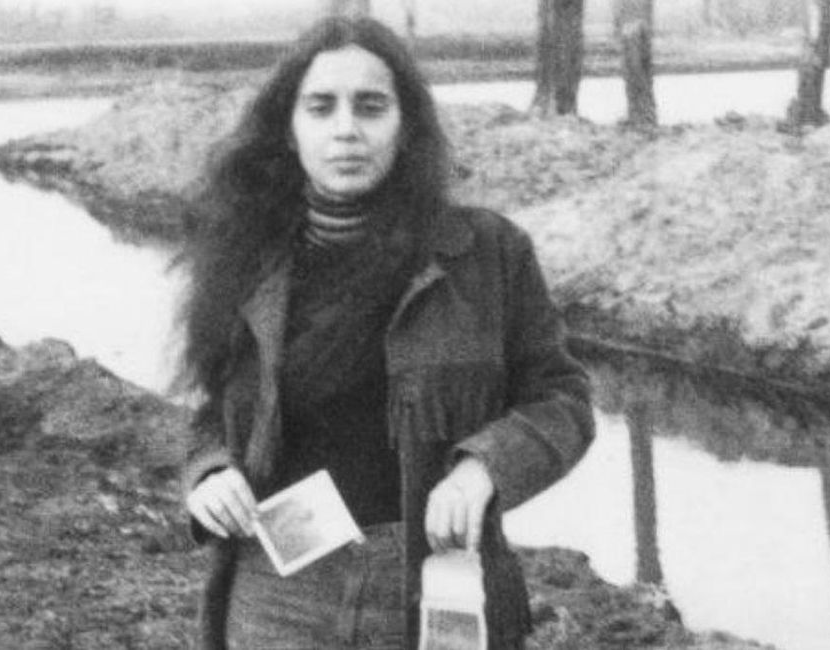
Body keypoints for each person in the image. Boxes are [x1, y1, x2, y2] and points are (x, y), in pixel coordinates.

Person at [176, 15, 594, 650]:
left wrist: (483, 469)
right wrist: (209, 474)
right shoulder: (243, 256)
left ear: (406, 128)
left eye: (371, 107)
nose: (346, 129)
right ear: (290, 131)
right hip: (276, 592)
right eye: (321, 108)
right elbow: (211, 410)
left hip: (430, 582)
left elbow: (563, 402)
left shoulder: (487, 253)